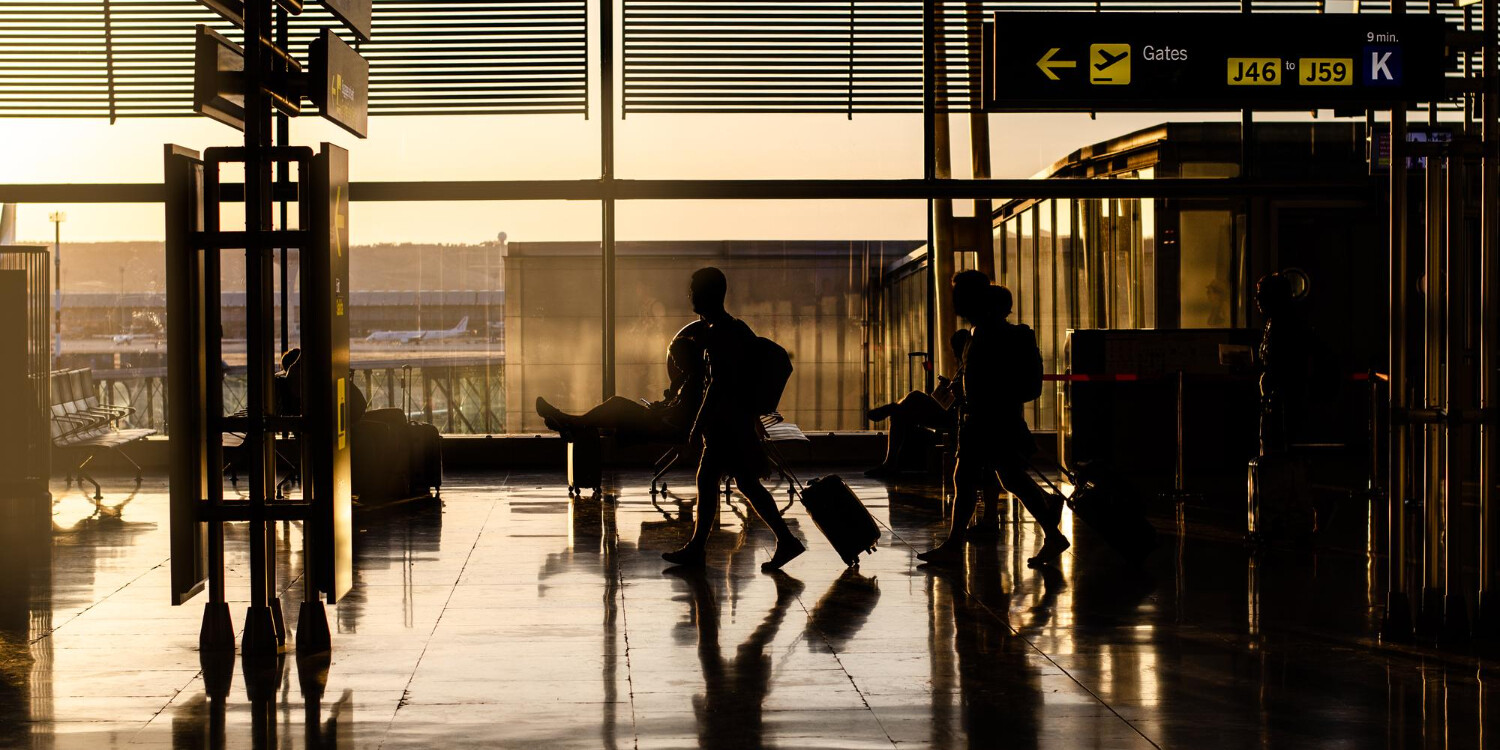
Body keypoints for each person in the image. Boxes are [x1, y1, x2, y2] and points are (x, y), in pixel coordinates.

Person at [918, 274, 1069, 567]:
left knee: (973, 479)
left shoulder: (987, 335)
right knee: (1008, 478)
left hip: (989, 421)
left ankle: (953, 546)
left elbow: (989, 380)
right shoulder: (982, 333)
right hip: (992, 419)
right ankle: (1052, 533)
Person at [662, 267, 805, 571]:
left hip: (727, 425)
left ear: (707, 294)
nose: (689, 295)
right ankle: (781, 540)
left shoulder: (718, 333)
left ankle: (700, 549)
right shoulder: (736, 328)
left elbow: (719, 385)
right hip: (736, 422)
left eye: (693, 289)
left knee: (720, 480)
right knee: (739, 482)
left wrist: (698, 425)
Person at [535, 320, 708, 442]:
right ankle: (571, 422)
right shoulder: (690, 378)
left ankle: (570, 422)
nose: (675, 363)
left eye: (677, 358)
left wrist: (659, 411)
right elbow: (679, 408)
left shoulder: (696, 381)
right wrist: (662, 406)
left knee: (616, 406)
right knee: (616, 408)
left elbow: (683, 413)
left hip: (665, 426)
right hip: (662, 422)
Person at [864, 329, 970, 478]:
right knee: (903, 409)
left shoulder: (969, 367)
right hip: (949, 410)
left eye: (955, 349)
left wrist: (953, 388)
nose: (953, 354)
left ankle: (890, 461)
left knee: (913, 397)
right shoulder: (965, 367)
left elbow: (966, 396)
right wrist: (949, 385)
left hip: (952, 414)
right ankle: (894, 409)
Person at [1254, 272, 1313, 456]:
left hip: (1281, 403)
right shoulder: (1279, 323)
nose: (1257, 299)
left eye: (1261, 294)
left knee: (1278, 451)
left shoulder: (1282, 327)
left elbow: (1282, 366)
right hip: (1277, 401)